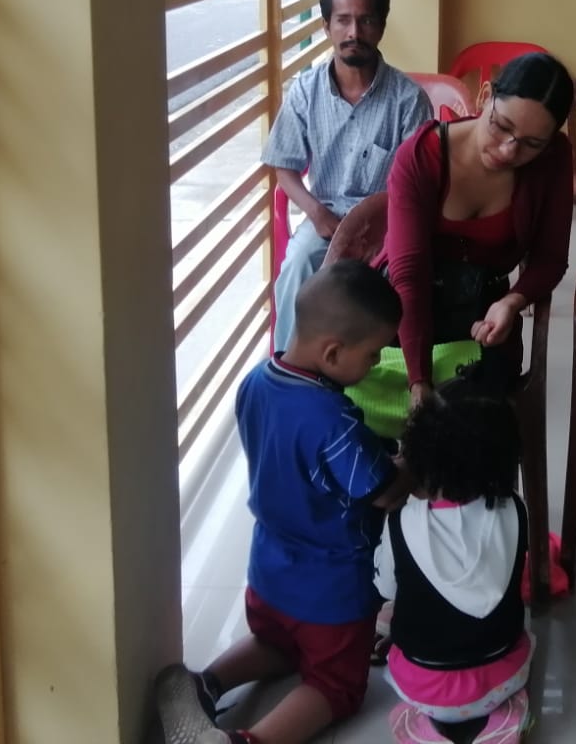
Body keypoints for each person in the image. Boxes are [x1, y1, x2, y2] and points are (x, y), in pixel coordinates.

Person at [155, 260, 414, 744]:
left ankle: (201, 685)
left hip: (268, 575)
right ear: (333, 352)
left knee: (276, 644)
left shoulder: (255, 382)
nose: (377, 363)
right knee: (335, 686)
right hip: (331, 593)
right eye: (374, 353)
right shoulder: (335, 422)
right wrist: (411, 460)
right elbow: (384, 492)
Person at [382, 51, 575, 407]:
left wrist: (512, 301)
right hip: (404, 308)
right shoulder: (422, 155)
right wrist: (418, 380)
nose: (508, 150)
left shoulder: (553, 158)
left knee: (479, 413)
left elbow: (550, 259)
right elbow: (408, 273)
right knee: (379, 405)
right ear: (485, 96)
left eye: (532, 144)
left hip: (484, 311)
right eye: (501, 126)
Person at [265, 0, 432, 353]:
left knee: (405, 280)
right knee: (297, 266)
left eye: (366, 20)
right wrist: (317, 214)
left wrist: (376, 226)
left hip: (389, 223)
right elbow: (283, 167)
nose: (354, 32)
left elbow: (419, 183)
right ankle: (289, 365)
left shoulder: (408, 100)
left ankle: (386, 365)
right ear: (327, 27)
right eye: (342, 20)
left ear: (381, 27)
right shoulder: (305, 92)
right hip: (325, 219)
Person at [376, 385, 533, 744]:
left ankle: (422, 719)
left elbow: (386, 588)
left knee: (389, 612)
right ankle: (505, 714)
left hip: (421, 684)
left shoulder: (400, 523)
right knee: (520, 636)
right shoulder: (515, 509)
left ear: (421, 454)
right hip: (501, 675)